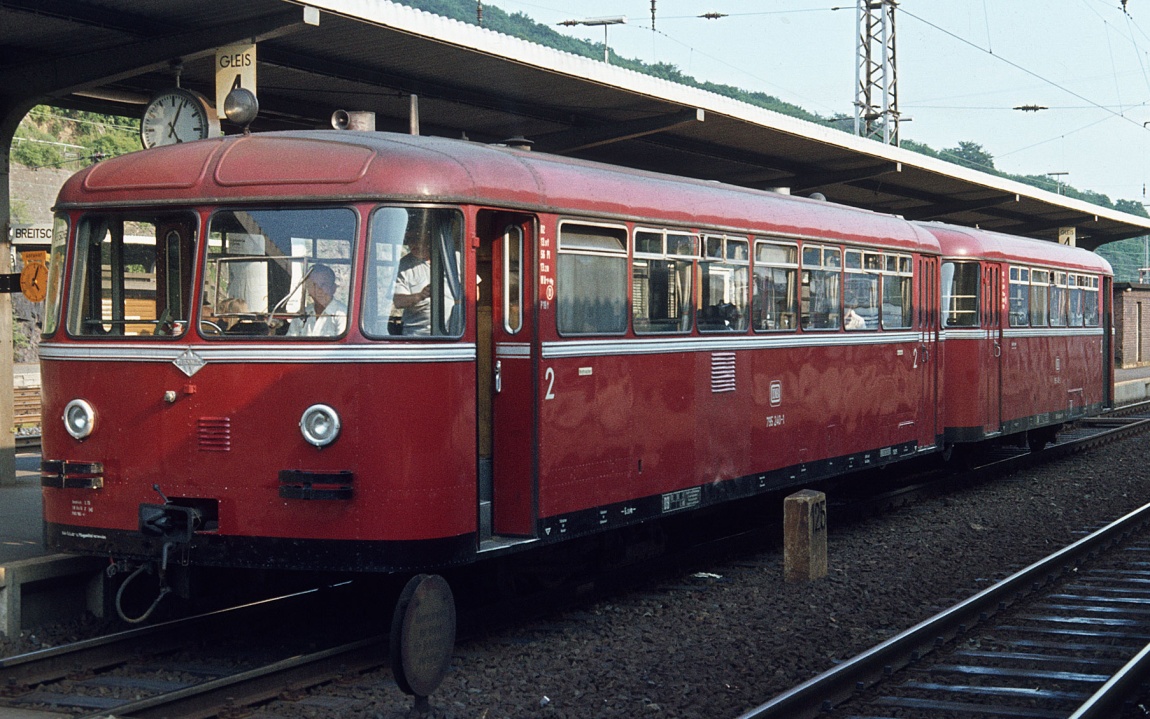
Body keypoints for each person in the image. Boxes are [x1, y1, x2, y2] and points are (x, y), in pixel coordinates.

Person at [288, 264, 347, 337]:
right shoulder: (302, 315)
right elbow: (291, 342)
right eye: (314, 285)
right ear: (308, 290)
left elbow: (342, 344)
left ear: (333, 288)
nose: (319, 290)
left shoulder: (342, 315)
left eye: (324, 285)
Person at [392, 234, 435, 335]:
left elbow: (474, 291)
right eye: (409, 240)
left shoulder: (453, 258)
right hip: (418, 334)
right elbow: (398, 301)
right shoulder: (404, 265)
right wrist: (420, 296)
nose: (412, 244)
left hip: (453, 333)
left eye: (416, 239)